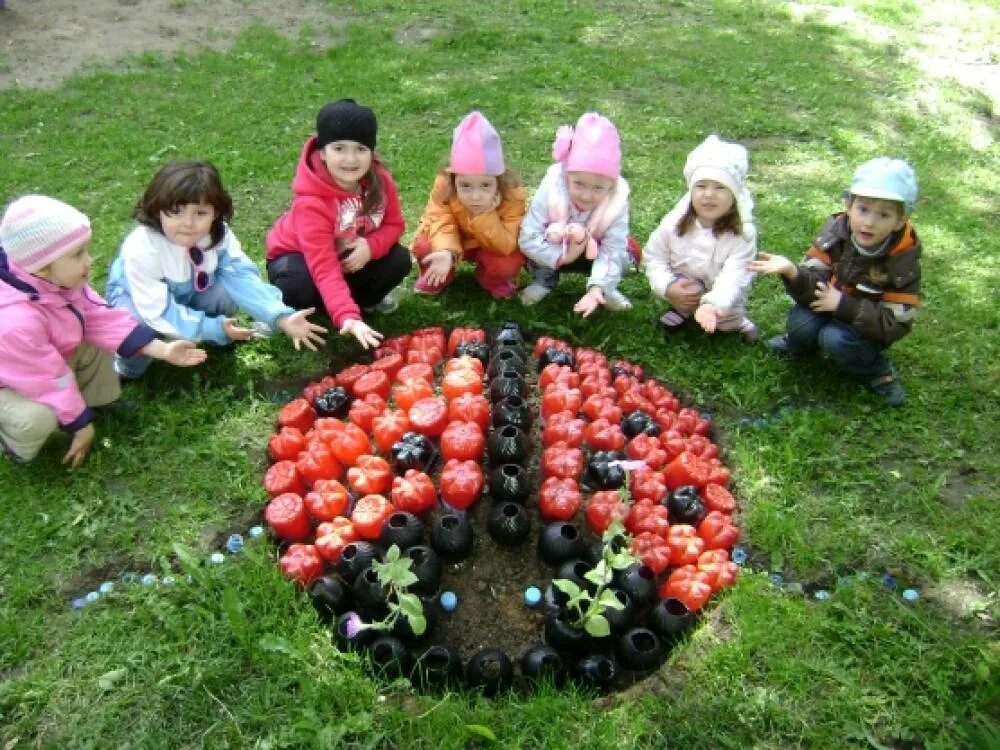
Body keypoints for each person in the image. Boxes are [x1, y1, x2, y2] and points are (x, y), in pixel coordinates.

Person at [0, 195, 207, 467]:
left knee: (92, 338)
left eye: (85, 250)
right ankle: (15, 445)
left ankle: (98, 403)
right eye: (77, 255)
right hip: (16, 381)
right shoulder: (15, 321)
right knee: (37, 418)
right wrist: (80, 424)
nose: (89, 260)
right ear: (43, 266)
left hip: (44, 360)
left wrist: (163, 349)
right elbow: (48, 378)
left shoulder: (54, 280)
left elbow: (100, 318)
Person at [106, 160, 327, 379]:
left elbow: (241, 276)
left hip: (189, 289)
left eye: (200, 213)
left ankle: (218, 335)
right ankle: (127, 369)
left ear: (216, 212)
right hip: (139, 301)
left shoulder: (218, 235)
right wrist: (213, 327)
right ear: (157, 210)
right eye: (176, 212)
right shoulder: (142, 248)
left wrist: (280, 315)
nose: (188, 223)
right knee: (136, 326)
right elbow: (158, 311)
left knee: (225, 292)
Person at [748, 157, 921, 405]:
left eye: (884, 214)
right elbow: (813, 283)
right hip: (828, 305)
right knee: (800, 326)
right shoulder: (835, 234)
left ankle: (878, 371)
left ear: (900, 220)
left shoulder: (901, 262)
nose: (869, 222)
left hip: (864, 328)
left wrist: (842, 305)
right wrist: (793, 273)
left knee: (835, 339)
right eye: (863, 209)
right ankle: (802, 346)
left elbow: (894, 324)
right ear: (848, 205)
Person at [266, 99, 411, 350]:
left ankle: (352, 301)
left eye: (360, 149)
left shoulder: (382, 183)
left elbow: (395, 225)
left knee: (399, 259)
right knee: (298, 287)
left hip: (347, 258)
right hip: (300, 260)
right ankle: (295, 310)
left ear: (371, 153)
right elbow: (323, 266)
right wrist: (348, 317)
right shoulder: (311, 204)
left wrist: (371, 247)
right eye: (339, 148)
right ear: (322, 152)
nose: (350, 159)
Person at [518, 112, 636, 317]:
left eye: (598, 188)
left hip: (593, 248)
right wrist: (563, 256)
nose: (586, 195)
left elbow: (612, 249)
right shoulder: (552, 189)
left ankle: (604, 288)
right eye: (578, 183)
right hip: (555, 246)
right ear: (567, 176)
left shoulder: (616, 201)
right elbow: (529, 236)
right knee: (540, 239)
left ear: (612, 184)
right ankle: (544, 279)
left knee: (627, 253)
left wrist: (598, 287)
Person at [643, 134, 759, 342]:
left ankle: (737, 320)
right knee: (686, 292)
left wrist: (713, 304)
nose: (709, 194)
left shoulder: (742, 234)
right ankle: (684, 308)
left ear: (734, 195)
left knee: (726, 321)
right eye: (701, 185)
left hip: (721, 289)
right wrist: (668, 286)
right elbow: (654, 256)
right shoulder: (674, 222)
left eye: (720, 187)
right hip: (684, 281)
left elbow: (735, 276)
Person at [411, 111, 526, 298]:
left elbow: (506, 244)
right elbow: (439, 220)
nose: (475, 196)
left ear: (499, 180)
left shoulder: (513, 194)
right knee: (425, 246)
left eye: (486, 185)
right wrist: (446, 251)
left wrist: (485, 217)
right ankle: (439, 275)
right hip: (453, 240)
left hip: (490, 245)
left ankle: (491, 279)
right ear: (454, 179)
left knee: (507, 263)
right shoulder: (444, 184)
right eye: (465, 186)